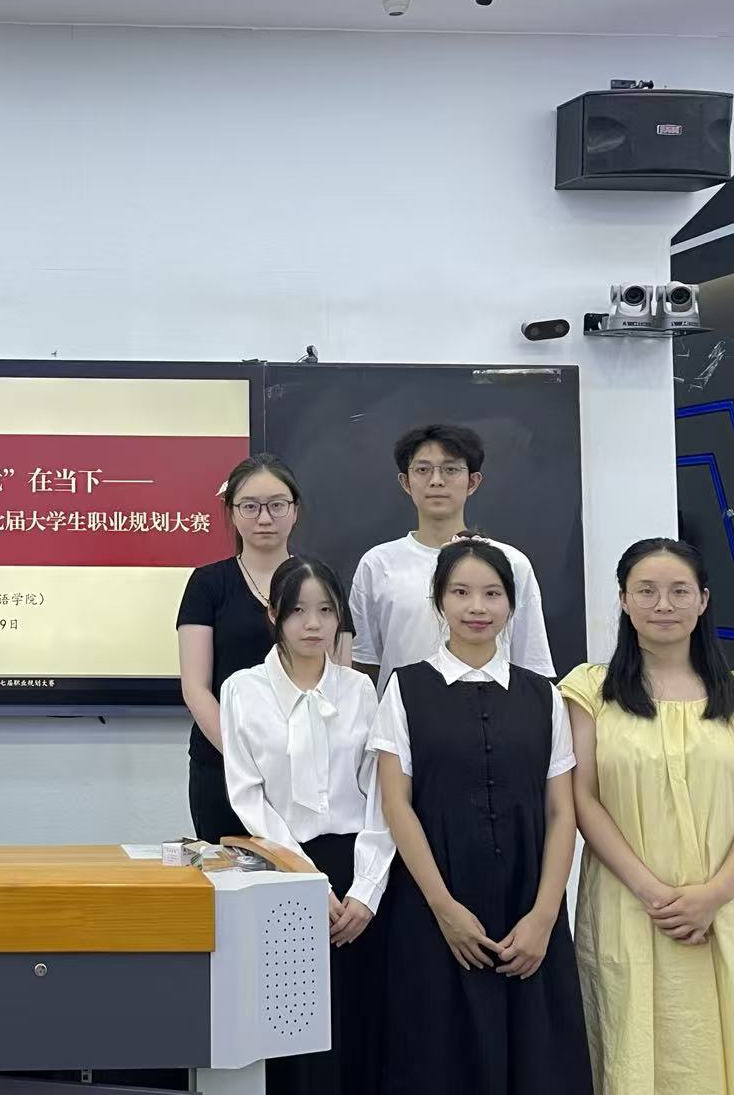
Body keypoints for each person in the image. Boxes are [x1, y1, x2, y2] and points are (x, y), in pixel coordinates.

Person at [560, 539, 734, 1095]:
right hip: (629, 907)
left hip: (731, 908)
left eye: (679, 591)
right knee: (634, 1051)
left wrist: (713, 895)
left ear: (703, 600)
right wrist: (654, 894)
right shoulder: (590, 691)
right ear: (623, 600)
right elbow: (583, 799)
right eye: (646, 591)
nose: (662, 604)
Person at [368, 536, 590, 1095]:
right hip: (432, 905)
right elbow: (397, 804)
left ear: (511, 604)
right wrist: (444, 909)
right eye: (461, 592)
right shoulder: (405, 688)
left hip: (527, 904)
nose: (477, 607)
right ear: (439, 600)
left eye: (492, 594)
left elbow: (561, 810)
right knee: (438, 1059)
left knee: (537, 1061)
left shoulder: (543, 696)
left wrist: (544, 917)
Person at [220, 556, 391, 1095]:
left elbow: (381, 796)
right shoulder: (242, 689)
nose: (313, 624)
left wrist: (366, 890)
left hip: (359, 875)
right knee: (293, 1027)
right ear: (274, 615)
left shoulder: (360, 691)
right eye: (297, 611)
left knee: (359, 1020)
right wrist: (305, 878)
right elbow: (248, 795)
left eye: (325, 611)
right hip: (281, 869)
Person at [178, 453, 337, 842]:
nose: (264, 518)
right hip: (225, 767)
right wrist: (245, 758)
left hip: (309, 771)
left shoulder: (322, 581)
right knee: (229, 874)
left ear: (295, 510)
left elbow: (338, 682)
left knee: (310, 875)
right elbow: (196, 689)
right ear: (232, 512)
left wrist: (295, 759)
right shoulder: (207, 584)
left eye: (277, 505)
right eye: (249, 506)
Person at [350, 424, 553, 690]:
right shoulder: (377, 564)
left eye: (450, 469)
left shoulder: (511, 563)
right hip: (403, 712)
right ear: (405, 482)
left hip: (495, 709)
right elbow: (364, 665)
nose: (436, 481)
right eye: (423, 470)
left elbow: (532, 663)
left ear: (473, 482)